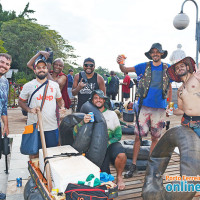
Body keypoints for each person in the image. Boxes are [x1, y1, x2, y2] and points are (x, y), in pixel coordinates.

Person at [117, 43, 172, 178]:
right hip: (144, 107)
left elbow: (170, 86)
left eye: (157, 52)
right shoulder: (144, 66)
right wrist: (120, 62)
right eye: (153, 52)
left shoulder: (168, 68)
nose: (155, 54)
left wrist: (170, 105)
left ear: (161, 54)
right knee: (138, 137)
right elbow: (125, 69)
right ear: (150, 54)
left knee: (155, 138)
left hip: (159, 108)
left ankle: (150, 166)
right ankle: (133, 165)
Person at [73, 89, 127, 190]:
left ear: (104, 100)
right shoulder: (87, 114)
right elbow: (75, 133)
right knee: (103, 172)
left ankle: (119, 177)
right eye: (96, 98)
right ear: (92, 101)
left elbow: (118, 135)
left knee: (121, 154)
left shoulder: (112, 114)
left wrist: (106, 143)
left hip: (110, 143)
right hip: (93, 147)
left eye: (100, 98)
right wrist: (82, 122)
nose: (98, 100)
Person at [19, 59, 65, 158]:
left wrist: (62, 107)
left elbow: (60, 100)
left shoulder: (54, 85)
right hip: (33, 126)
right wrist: (29, 110)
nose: (41, 70)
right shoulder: (28, 85)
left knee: (51, 153)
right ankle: (34, 173)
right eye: (38, 68)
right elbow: (21, 101)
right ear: (35, 70)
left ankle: (47, 173)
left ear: (47, 70)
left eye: (43, 68)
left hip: (51, 126)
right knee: (34, 153)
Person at [166, 56, 200, 136]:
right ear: (175, 72)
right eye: (177, 68)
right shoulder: (180, 90)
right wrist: (172, 111)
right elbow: (181, 110)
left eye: (182, 66)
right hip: (186, 121)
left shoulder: (196, 78)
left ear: (188, 67)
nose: (179, 68)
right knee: (187, 148)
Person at [0, 53, 12, 138]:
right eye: (1, 62)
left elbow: (4, 107)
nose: (4, 66)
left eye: (7, 64)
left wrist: (6, 125)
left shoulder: (5, 82)